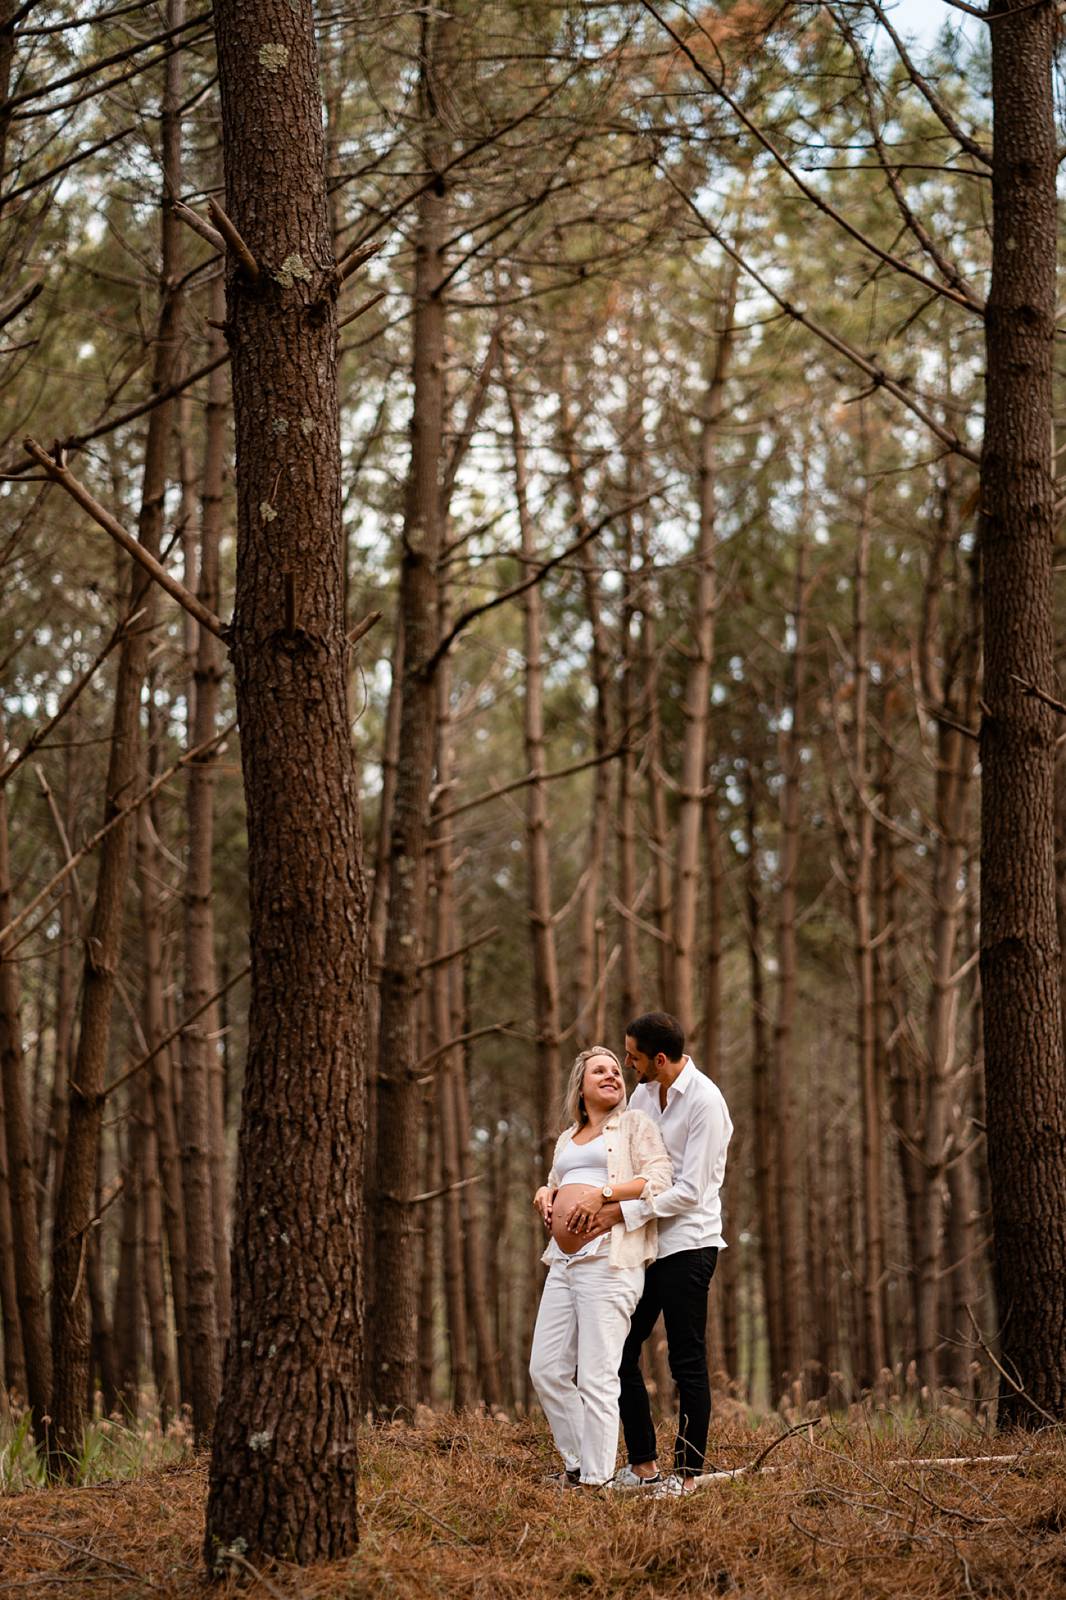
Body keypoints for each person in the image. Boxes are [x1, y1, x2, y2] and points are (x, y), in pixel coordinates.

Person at [590, 1011, 732, 1495]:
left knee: (686, 1361)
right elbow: (628, 1160)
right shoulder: (646, 1096)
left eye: (632, 1056)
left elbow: (692, 1191)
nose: (626, 1064)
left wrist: (623, 1212)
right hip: (649, 1244)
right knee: (623, 1349)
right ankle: (644, 1467)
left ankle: (688, 1477)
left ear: (660, 1058)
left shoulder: (706, 1102)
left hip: (690, 1244)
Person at [529, 1046, 672, 1489]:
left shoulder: (634, 1125)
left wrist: (605, 1194)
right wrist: (543, 1192)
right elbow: (559, 1183)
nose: (612, 1075)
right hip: (564, 1262)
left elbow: (660, 1179)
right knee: (546, 1368)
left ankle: (594, 1481)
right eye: (600, 1071)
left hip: (609, 1261)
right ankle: (577, 1463)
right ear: (581, 1085)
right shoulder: (568, 1137)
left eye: (616, 1070)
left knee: (597, 1375)